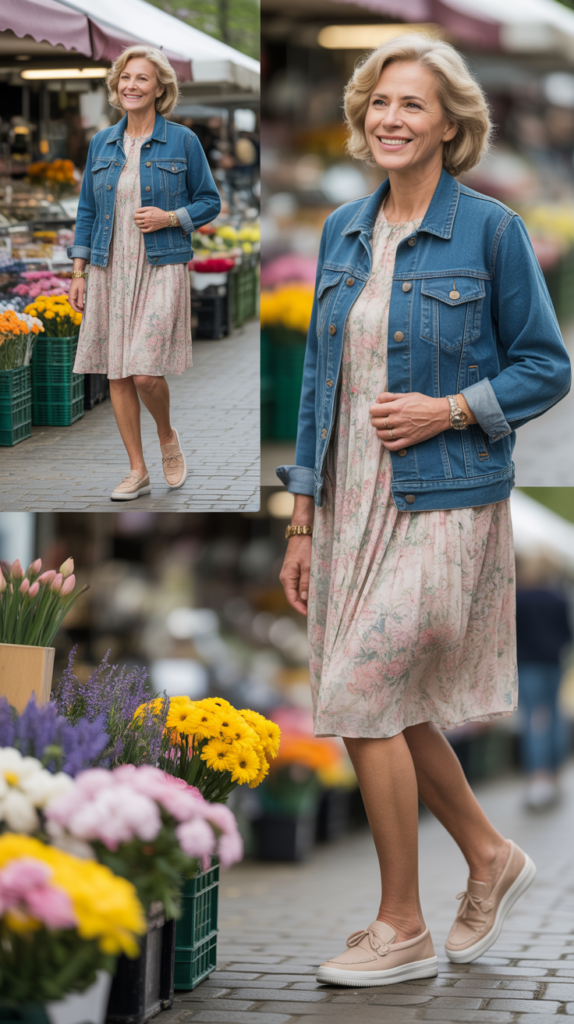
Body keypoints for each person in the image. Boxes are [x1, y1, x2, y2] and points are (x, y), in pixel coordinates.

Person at [277, 34, 571, 987]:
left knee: (362, 689)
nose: (390, 119)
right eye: (378, 104)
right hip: (350, 497)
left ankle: (399, 923)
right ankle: (488, 857)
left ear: (451, 124)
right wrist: (301, 516)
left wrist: (450, 409)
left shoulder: (491, 231)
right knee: (384, 699)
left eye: (412, 104)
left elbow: (546, 366)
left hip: (443, 496)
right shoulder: (341, 233)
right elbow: (320, 383)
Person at [68, 46, 221, 501]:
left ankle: (166, 435)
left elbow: (209, 201)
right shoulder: (102, 143)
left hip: (160, 264)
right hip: (109, 266)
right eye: (125, 78)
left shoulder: (183, 141)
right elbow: (87, 211)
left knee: (145, 374)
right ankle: (137, 470)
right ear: (117, 87)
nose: (131, 85)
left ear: (160, 89)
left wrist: (171, 218)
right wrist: (78, 272)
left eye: (142, 79)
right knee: (117, 372)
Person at [516, 555, 572, 810]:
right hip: (553, 663)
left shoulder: (521, 597)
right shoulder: (558, 597)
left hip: (529, 666)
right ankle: (553, 774)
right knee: (554, 718)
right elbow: (566, 634)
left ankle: (539, 779)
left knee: (535, 721)